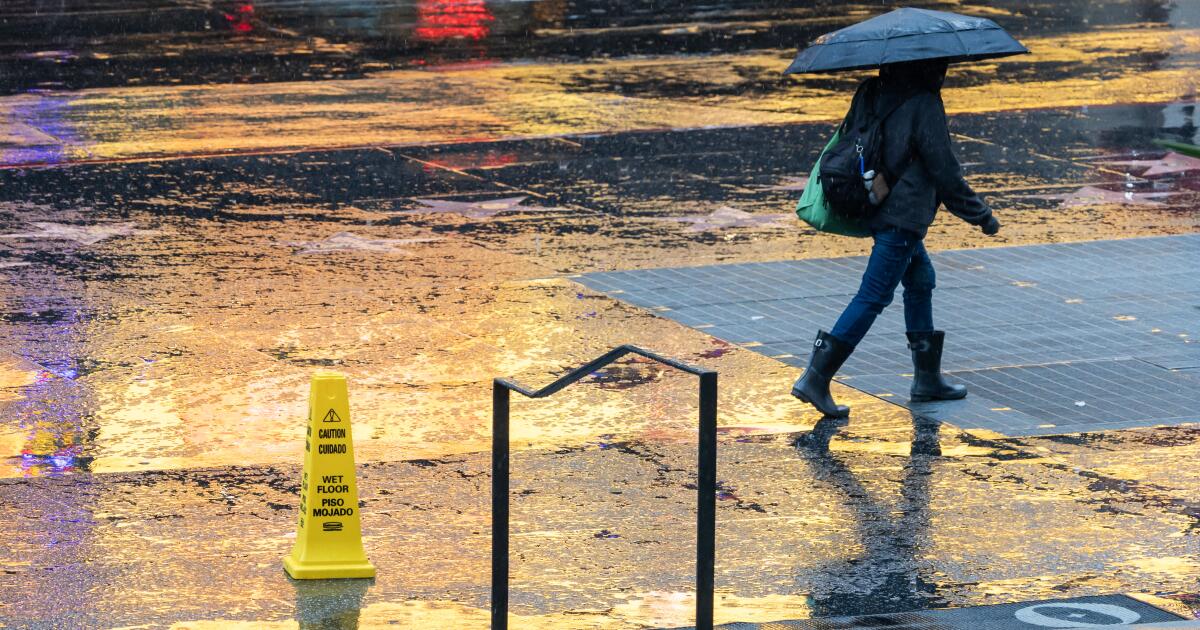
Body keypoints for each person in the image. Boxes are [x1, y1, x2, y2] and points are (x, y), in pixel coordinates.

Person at [792, 59, 1001, 418]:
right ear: (928, 65)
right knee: (873, 296)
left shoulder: (873, 90)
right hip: (902, 215)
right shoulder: (924, 102)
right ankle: (817, 376)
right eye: (942, 64)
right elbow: (945, 170)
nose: (945, 70)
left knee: (921, 279)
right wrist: (981, 215)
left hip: (874, 199)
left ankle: (926, 379)